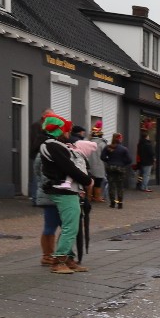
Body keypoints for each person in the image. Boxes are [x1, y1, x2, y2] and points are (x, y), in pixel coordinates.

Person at [38, 111, 92, 275]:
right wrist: (87, 180)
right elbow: (69, 167)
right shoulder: (53, 146)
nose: (68, 133)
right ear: (59, 130)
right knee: (71, 226)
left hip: (64, 189)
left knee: (70, 226)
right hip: (64, 190)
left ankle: (68, 259)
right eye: (66, 130)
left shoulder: (50, 145)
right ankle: (59, 261)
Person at [102, 133, 132, 208]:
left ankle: (112, 203)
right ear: (120, 139)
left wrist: (108, 161)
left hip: (110, 167)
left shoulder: (108, 147)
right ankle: (120, 203)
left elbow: (102, 157)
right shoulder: (124, 149)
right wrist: (123, 163)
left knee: (111, 185)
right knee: (120, 186)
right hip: (120, 168)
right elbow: (129, 160)